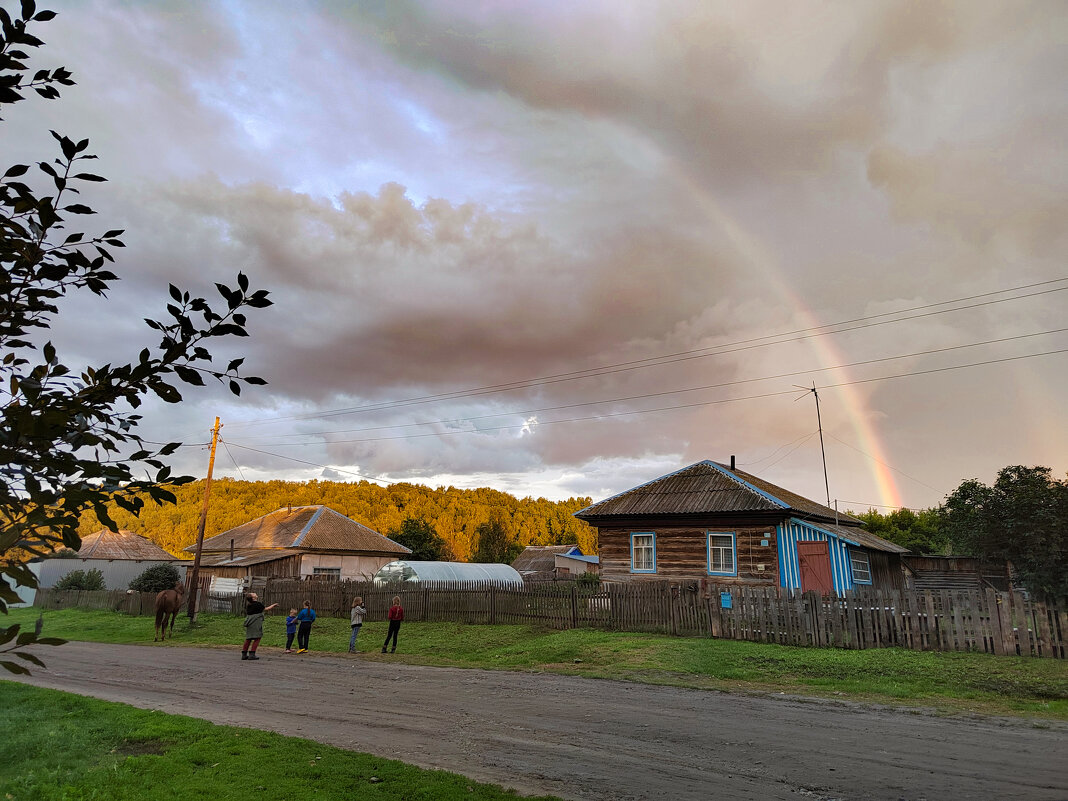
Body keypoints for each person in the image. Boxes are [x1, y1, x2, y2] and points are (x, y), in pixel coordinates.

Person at [241, 592, 278, 661]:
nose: (254, 593)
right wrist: (273, 605)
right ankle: (252, 654)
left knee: (248, 638)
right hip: (256, 621)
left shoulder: (249, 605)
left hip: (249, 621)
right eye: (253, 594)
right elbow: (266, 609)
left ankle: (244, 654)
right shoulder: (258, 604)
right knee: (257, 637)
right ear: (253, 598)